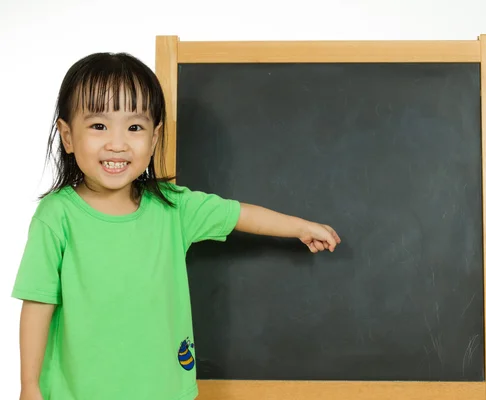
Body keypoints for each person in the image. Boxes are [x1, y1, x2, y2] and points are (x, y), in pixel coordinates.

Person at [12, 52, 341, 400]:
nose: (117, 143)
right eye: (98, 126)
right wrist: (30, 386)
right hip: (77, 392)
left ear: (154, 139)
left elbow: (238, 214)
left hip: (162, 390)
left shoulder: (173, 207)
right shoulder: (57, 216)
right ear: (67, 136)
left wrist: (300, 227)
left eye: (134, 127)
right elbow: (37, 305)